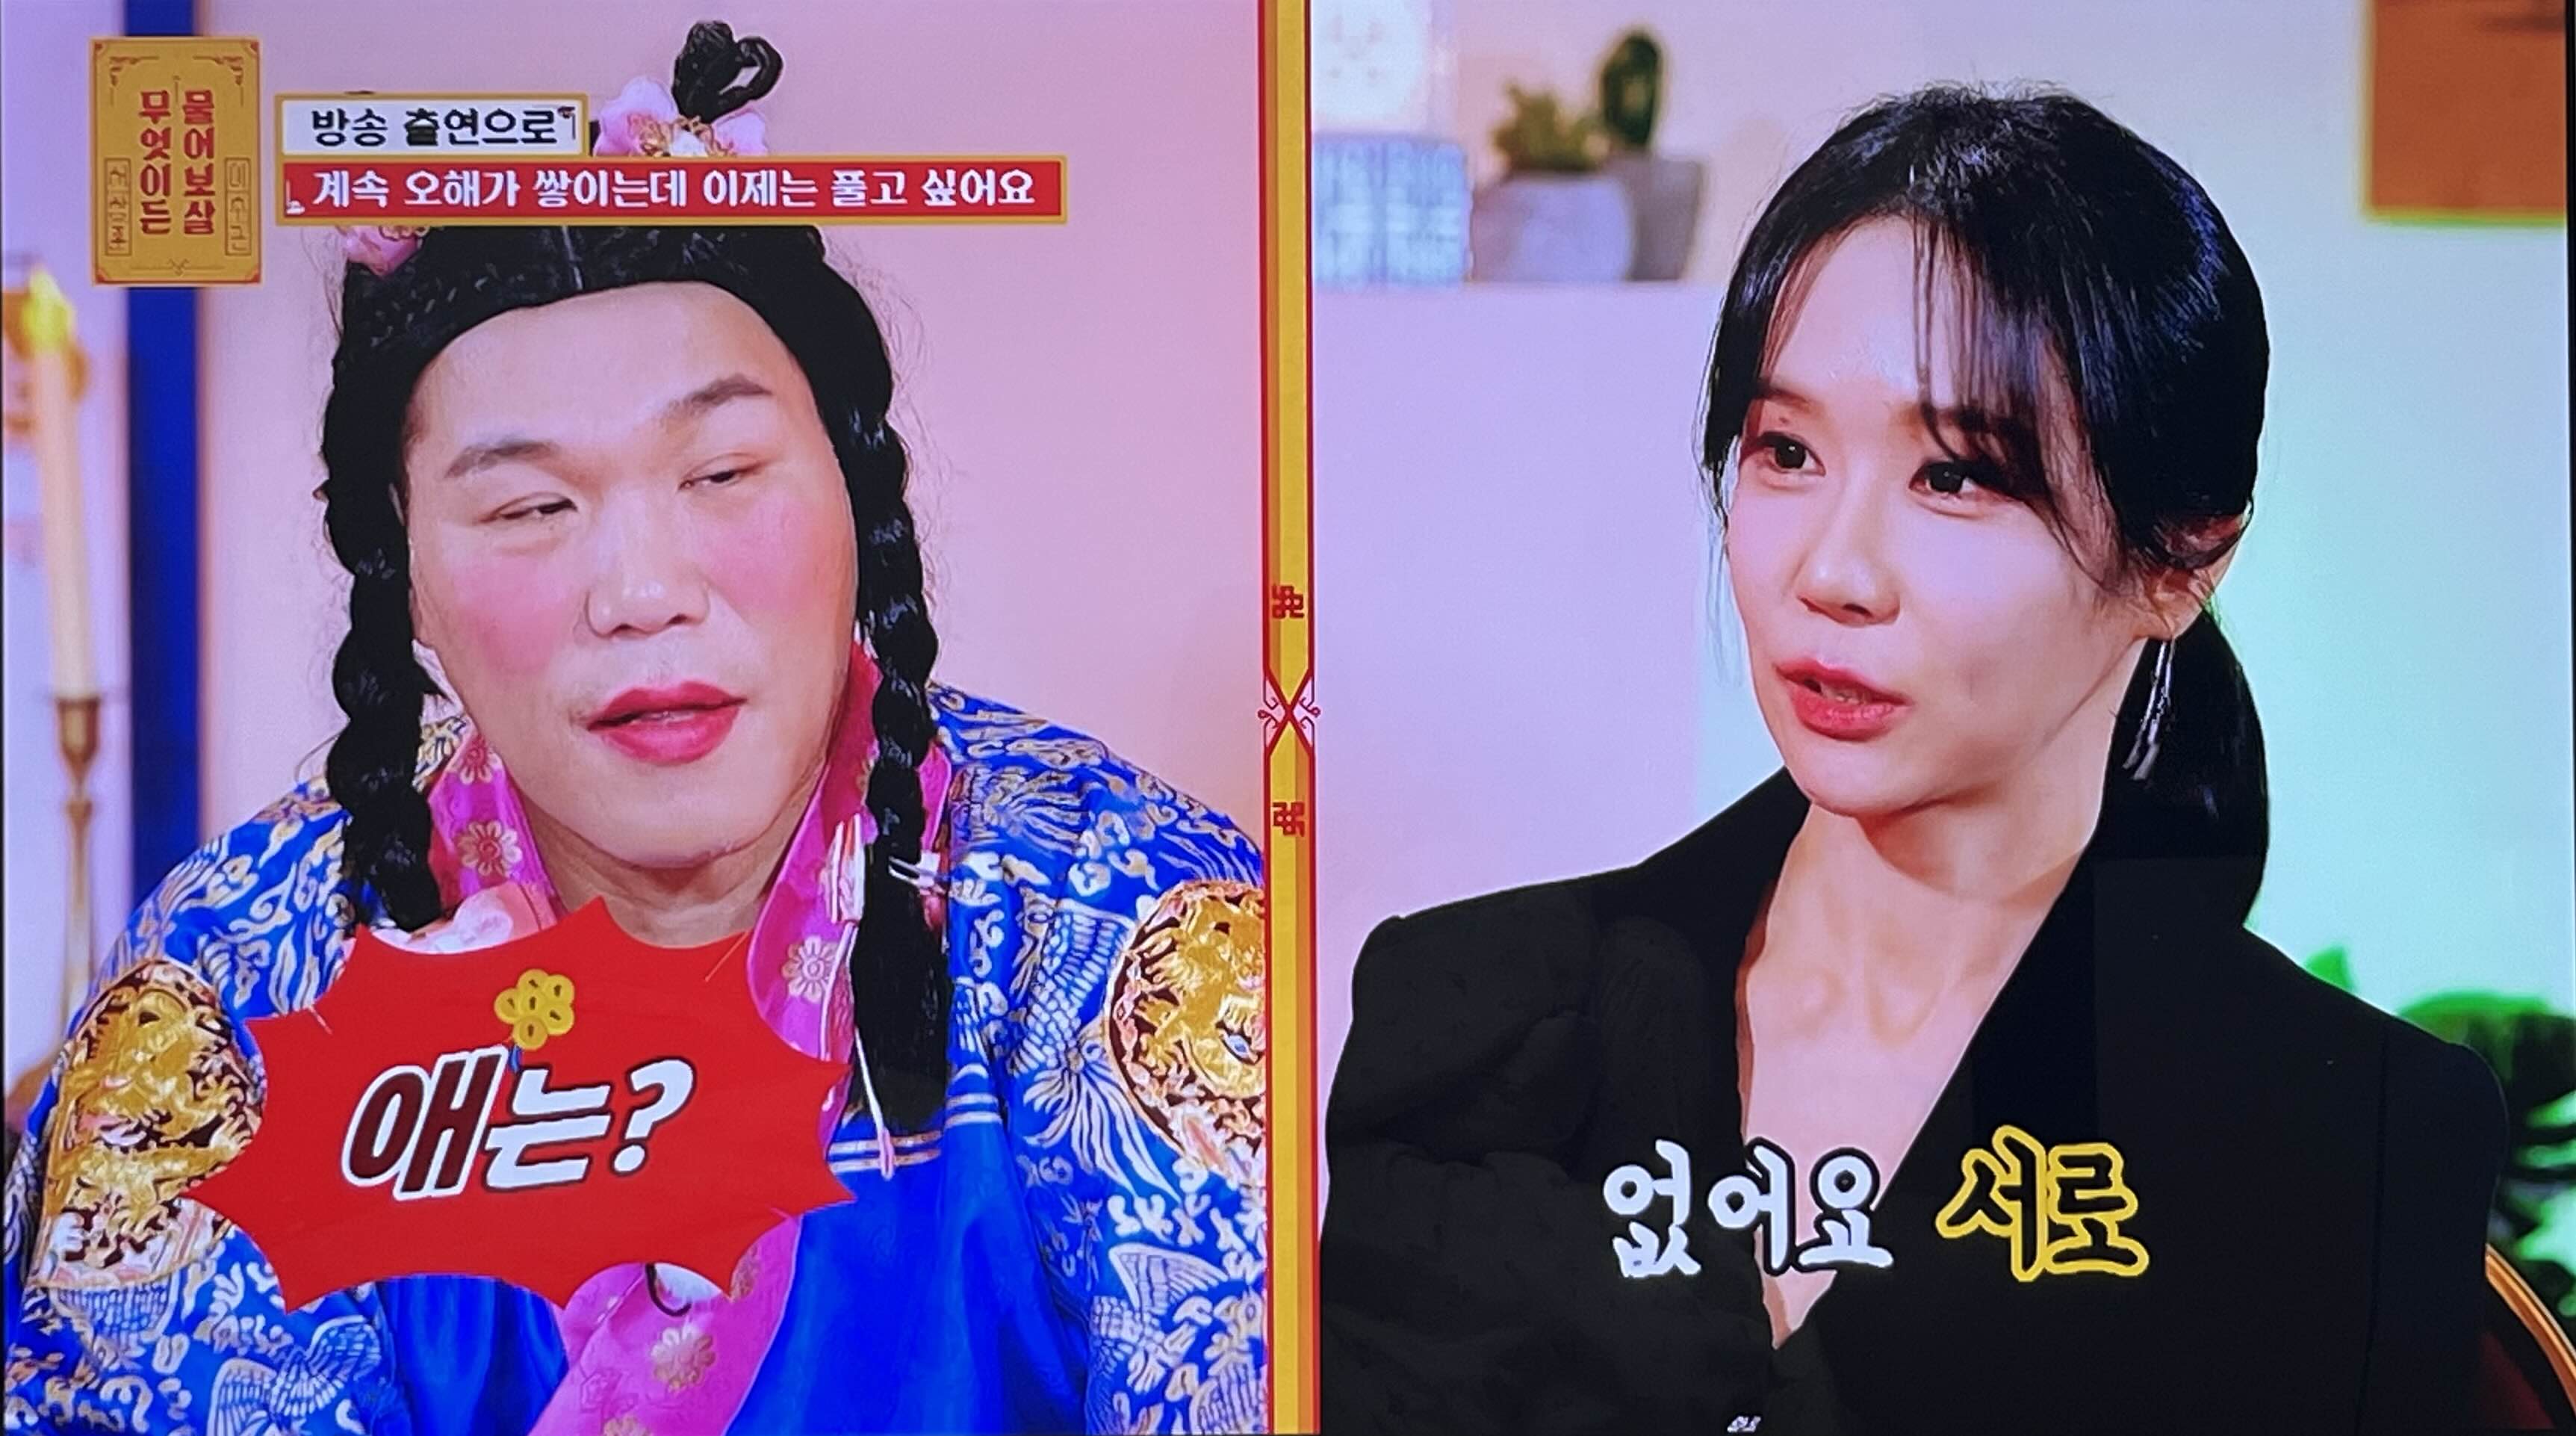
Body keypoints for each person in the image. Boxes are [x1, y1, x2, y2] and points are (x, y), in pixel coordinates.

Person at [5, 25, 1267, 1436]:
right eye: (530, 507)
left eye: (721, 473)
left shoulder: (1119, 918)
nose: (644, 591)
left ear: (858, 501)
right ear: (405, 577)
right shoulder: (238, 979)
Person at [1320, 84, 2506, 1435]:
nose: (1831, 571)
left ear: (2180, 559)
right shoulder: (1473, 1021)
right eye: (1785, 451)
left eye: (1954, 475)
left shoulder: (2348, 1136)